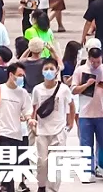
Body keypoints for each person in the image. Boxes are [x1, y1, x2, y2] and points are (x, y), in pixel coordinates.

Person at [0, 63, 34, 192]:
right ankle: (6, 188)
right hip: (3, 134)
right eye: (19, 75)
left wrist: (29, 119)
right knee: (6, 168)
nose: (21, 78)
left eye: (23, 76)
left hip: (17, 135)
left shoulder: (23, 93)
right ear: (11, 75)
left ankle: (6, 187)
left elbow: (27, 111)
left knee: (12, 168)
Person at [32, 57, 75, 192]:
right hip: (42, 131)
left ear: (57, 71)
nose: (49, 71)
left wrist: (70, 123)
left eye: (52, 69)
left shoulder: (64, 89)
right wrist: (33, 122)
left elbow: (71, 105)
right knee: (42, 162)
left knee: (56, 163)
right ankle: (41, 186)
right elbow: (34, 107)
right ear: (42, 71)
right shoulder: (37, 89)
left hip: (59, 131)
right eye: (46, 69)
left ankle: (52, 189)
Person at [71, 46, 103, 177]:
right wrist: (87, 85)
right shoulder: (80, 70)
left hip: (101, 113)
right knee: (86, 144)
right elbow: (73, 90)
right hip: (85, 114)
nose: (95, 65)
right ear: (89, 59)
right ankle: (88, 170)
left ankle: (101, 167)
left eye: (98, 62)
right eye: (93, 62)